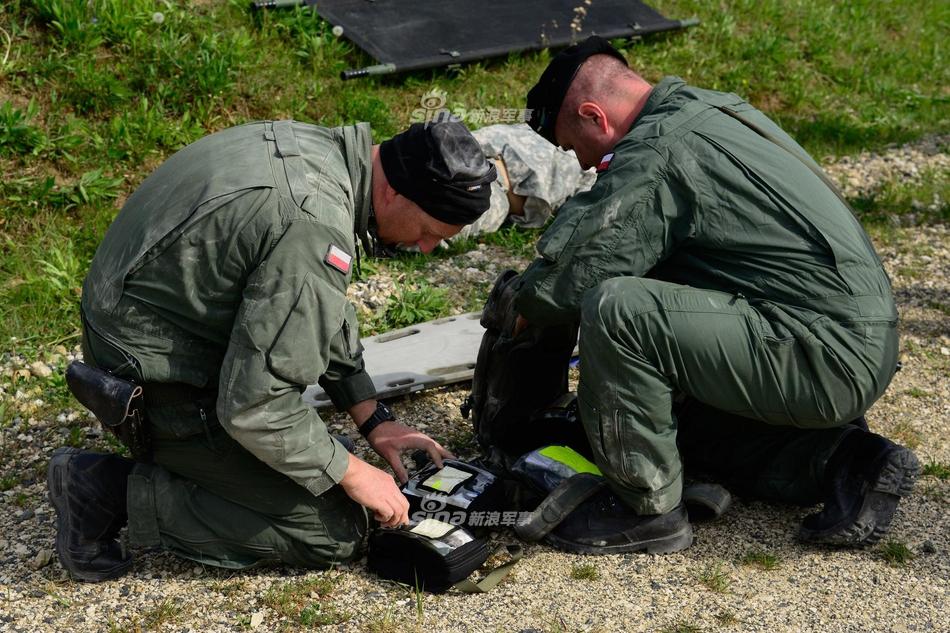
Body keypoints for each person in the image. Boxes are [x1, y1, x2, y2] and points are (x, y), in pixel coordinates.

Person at [514, 36, 920, 554]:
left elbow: (578, 272)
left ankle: (645, 510)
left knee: (618, 310)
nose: (588, 165)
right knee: (676, 426)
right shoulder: (713, 110)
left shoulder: (658, 150)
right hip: (851, 338)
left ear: (595, 116)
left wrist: (523, 304)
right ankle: (846, 460)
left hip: (819, 352)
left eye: (575, 148)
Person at [47, 120, 497, 581]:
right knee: (331, 528)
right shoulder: (311, 221)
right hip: (153, 384)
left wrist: (372, 417)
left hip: (146, 338)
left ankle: (207, 466)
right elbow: (256, 407)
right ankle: (104, 490)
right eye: (429, 231)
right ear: (395, 195)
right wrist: (353, 472)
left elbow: (310, 305)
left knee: (320, 462)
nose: (424, 249)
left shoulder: (323, 153)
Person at [450, 123, 596, 242]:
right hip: (485, 166)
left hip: (490, 176)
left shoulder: (590, 167)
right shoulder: (588, 161)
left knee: (447, 217)